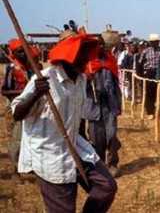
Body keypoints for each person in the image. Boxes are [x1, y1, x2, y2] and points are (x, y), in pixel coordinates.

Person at [11, 34, 117, 213]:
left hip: (75, 145)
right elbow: (17, 113)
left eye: (87, 55)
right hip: (50, 152)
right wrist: (36, 94)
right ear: (69, 57)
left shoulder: (81, 79)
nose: (86, 61)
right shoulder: (45, 78)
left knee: (106, 187)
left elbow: (76, 115)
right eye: (82, 56)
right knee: (64, 209)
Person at [1, 38, 41, 171]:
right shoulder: (12, 69)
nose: (23, 54)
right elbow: (4, 90)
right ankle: (15, 168)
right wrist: (22, 93)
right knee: (17, 139)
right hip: (15, 107)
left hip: (31, 106)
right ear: (13, 53)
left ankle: (28, 165)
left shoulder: (31, 67)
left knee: (30, 136)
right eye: (20, 51)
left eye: (24, 50)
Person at [85, 37, 122, 177]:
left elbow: (116, 84)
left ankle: (113, 163)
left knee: (112, 135)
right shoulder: (86, 63)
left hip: (109, 106)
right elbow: (78, 85)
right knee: (96, 138)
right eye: (96, 45)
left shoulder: (111, 61)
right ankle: (99, 165)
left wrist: (118, 104)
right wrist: (87, 81)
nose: (100, 47)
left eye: (101, 44)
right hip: (93, 107)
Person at [140, 34, 160, 119]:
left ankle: (158, 111)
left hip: (158, 73)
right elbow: (140, 63)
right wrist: (141, 76)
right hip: (149, 73)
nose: (156, 43)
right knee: (149, 94)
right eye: (154, 42)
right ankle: (150, 112)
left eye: (157, 42)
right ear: (151, 43)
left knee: (158, 93)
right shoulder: (146, 51)